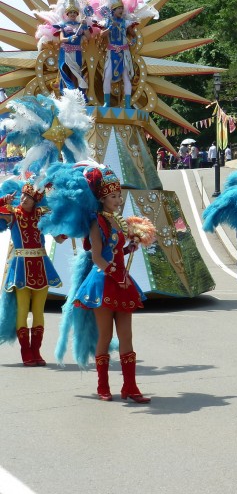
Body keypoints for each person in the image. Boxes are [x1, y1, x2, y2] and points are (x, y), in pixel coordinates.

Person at [44, 163, 151, 403]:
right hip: (103, 282)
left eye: (119, 196)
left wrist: (128, 247)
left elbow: (115, 251)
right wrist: (115, 273)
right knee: (104, 336)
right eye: (113, 196)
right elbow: (96, 256)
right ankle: (103, 385)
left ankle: (130, 387)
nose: (117, 200)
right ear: (102, 198)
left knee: (127, 337)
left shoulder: (119, 221)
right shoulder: (97, 222)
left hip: (122, 281)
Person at [0, 182, 63, 366]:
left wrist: (66, 231)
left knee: (38, 311)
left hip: (42, 267)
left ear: (36, 200)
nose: (24, 199)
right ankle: (25, 350)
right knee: (22, 309)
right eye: (23, 195)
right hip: (20, 269)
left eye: (28, 197)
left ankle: (36, 350)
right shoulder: (13, 214)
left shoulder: (42, 214)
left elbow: (58, 237)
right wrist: (4, 200)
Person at [100, 0, 136, 109]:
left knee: (126, 77)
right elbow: (101, 35)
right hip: (111, 53)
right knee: (107, 76)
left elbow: (133, 35)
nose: (121, 10)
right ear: (113, 10)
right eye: (119, 9)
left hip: (123, 54)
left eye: (122, 8)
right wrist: (111, 27)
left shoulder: (125, 22)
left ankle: (127, 104)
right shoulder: (107, 22)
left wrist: (132, 42)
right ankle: (107, 102)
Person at [56, 0, 90, 100]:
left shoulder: (81, 25)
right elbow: (61, 39)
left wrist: (85, 26)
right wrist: (70, 38)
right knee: (65, 72)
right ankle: (70, 94)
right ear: (67, 14)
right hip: (65, 53)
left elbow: (88, 37)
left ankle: (79, 94)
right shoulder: (63, 25)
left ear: (77, 14)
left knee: (76, 74)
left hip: (77, 53)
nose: (72, 14)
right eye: (70, 12)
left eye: (74, 12)